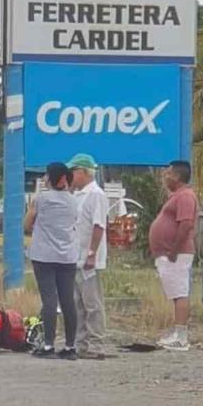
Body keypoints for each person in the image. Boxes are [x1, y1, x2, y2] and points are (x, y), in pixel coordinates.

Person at [24, 162, 79, 360]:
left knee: (49, 300)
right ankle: (71, 346)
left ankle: (48, 346)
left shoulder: (40, 199)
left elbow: (27, 223)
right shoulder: (74, 201)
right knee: (68, 301)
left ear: (50, 178)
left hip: (44, 256)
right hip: (67, 257)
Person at [149, 160, 199, 352]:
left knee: (180, 292)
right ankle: (177, 333)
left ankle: (181, 336)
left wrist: (174, 249)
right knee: (176, 292)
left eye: (168, 173)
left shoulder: (185, 196)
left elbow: (186, 224)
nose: (165, 177)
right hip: (170, 253)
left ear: (177, 176)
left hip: (177, 253)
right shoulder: (176, 196)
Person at [68, 153, 109, 360]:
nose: (70, 176)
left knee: (92, 303)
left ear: (83, 172)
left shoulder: (96, 194)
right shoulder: (77, 195)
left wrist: (91, 253)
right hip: (75, 256)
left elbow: (98, 225)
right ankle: (80, 344)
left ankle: (97, 344)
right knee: (78, 303)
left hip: (88, 258)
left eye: (73, 171)